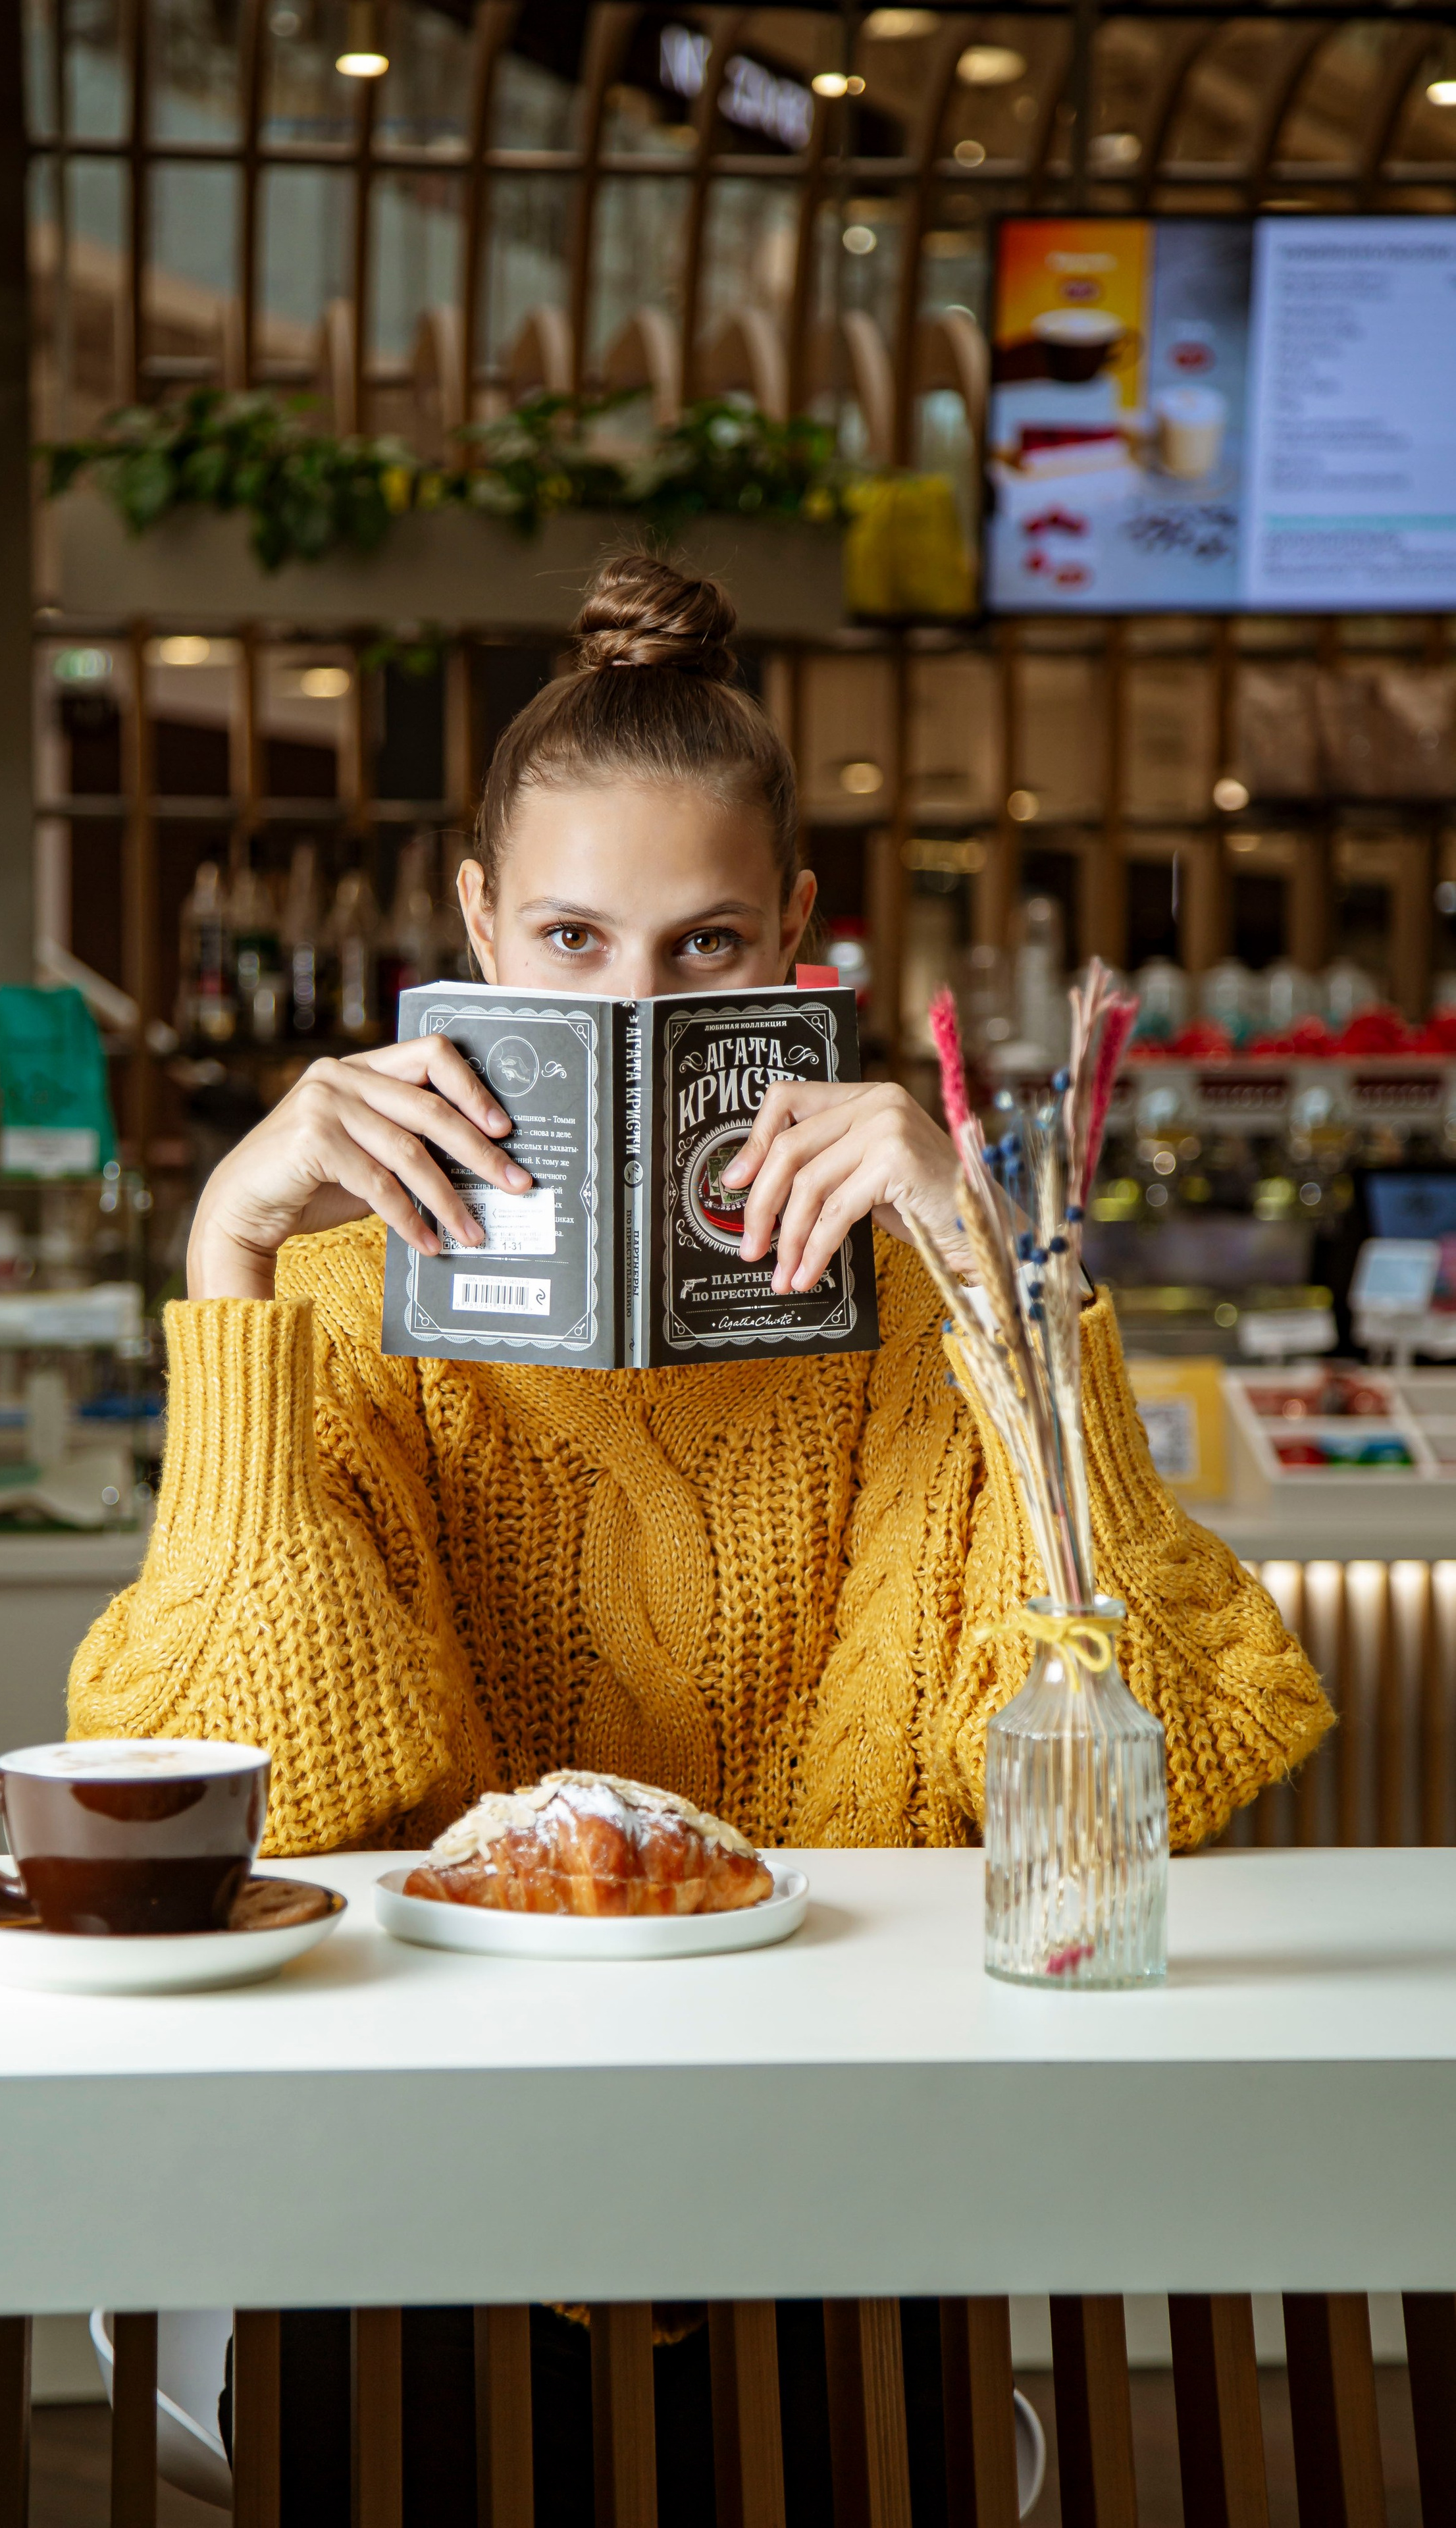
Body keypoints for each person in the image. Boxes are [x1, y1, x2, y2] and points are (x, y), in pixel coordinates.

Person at [70, 554, 1330, 2525]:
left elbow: (1139, 1772)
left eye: (703, 946)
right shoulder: (328, 1310)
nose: (630, 1005)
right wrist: (231, 1261)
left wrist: (993, 1271)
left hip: (836, 2214)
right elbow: (248, 1787)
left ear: (799, 948)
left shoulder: (930, 1326)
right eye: (570, 940)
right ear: (475, 923)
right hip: (411, 2224)